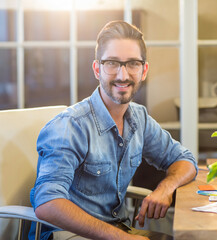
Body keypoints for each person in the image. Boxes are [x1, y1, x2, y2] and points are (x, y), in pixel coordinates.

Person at [29, 20, 198, 240]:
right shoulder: (71, 126)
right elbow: (47, 203)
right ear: (97, 69)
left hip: (119, 228)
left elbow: (185, 160)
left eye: (133, 64)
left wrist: (166, 188)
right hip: (69, 235)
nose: (123, 75)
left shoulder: (139, 118)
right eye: (112, 63)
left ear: (144, 70)